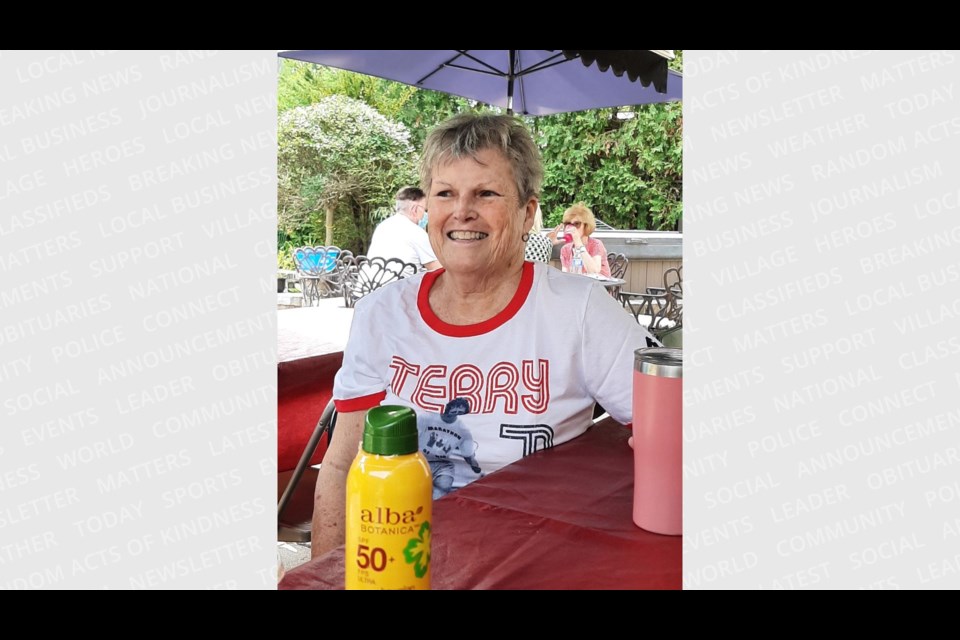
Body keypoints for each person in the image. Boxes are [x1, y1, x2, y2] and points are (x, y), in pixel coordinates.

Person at [311, 113, 658, 557]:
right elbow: (342, 464)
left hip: (529, 563)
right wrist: (324, 576)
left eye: (486, 193)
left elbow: (673, 423)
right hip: (396, 562)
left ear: (526, 213)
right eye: (445, 194)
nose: (461, 211)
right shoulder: (382, 313)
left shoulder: (579, 310)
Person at [367, 186, 441, 271]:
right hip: (399, 283)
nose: (425, 214)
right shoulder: (416, 232)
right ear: (415, 209)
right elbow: (437, 269)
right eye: (424, 209)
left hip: (368, 283)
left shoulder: (382, 227)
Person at [557, 203, 611, 277]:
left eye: (577, 224)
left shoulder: (596, 244)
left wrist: (579, 244)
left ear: (586, 225)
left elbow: (594, 271)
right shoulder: (565, 249)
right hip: (579, 286)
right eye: (568, 224)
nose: (572, 227)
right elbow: (565, 275)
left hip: (598, 286)